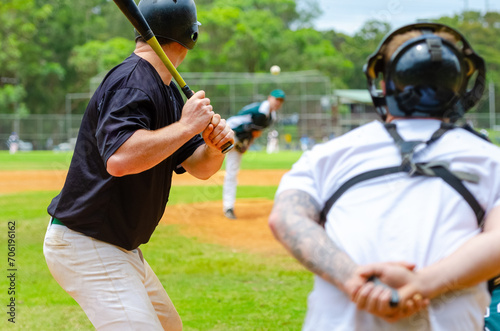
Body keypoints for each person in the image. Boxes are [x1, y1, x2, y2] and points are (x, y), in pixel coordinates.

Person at [269, 22, 500, 330]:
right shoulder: (491, 159)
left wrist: (355, 280)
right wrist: (421, 285)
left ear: (385, 84)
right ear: (460, 85)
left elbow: (286, 219)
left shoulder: (329, 154)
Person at [43, 0, 233, 330]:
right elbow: (119, 159)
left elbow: (200, 167)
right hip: (89, 242)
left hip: (120, 247)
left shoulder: (168, 92)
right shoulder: (132, 81)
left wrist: (214, 148)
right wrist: (188, 126)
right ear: (191, 36)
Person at [222, 89, 285, 219]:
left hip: (239, 139)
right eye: (276, 99)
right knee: (208, 160)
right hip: (226, 132)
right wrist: (243, 143)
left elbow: (256, 133)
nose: (277, 103)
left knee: (232, 173)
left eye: (280, 101)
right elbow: (249, 128)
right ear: (269, 98)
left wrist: (246, 146)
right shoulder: (262, 110)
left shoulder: (271, 116)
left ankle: (228, 207)